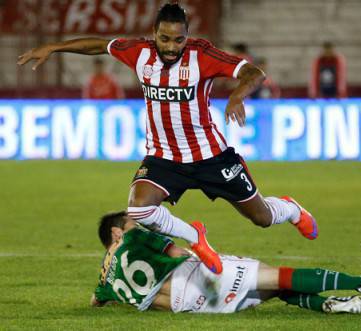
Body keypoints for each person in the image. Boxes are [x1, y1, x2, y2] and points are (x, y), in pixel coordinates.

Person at [17, 3, 318, 275]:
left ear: (187, 36)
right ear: (154, 34)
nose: (171, 47)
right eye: (165, 39)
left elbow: (254, 73)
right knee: (138, 209)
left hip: (211, 156)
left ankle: (291, 209)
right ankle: (195, 237)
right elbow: (99, 45)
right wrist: (55, 47)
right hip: (164, 158)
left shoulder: (203, 54)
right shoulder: (140, 52)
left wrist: (238, 95)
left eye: (178, 40)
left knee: (262, 217)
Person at [91, 211, 361, 314]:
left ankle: (328, 306)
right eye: (132, 221)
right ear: (117, 231)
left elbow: (96, 300)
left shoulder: (104, 282)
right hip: (197, 279)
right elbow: (176, 253)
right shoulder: (133, 239)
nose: (137, 222)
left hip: (193, 308)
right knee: (278, 277)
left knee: (271, 288)